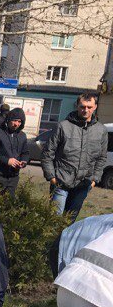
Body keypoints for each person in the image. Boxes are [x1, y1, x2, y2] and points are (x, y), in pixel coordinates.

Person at [41, 91, 107, 221]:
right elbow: (48, 153)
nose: (85, 110)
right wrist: (51, 176)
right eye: (82, 106)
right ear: (77, 106)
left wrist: (94, 179)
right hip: (61, 182)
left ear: (95, 107)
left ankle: (63, 242)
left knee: (69, 222)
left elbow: (101, 157)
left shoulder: (101, 130)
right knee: (54, 220)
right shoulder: (63, 126)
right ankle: (51, 242)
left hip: (83, 183)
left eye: (89, 107)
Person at [0, 106, 30, 197]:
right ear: (8, 120)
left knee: (7, 207)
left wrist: (24, 161)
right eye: (14, 120)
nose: (16, 124)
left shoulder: (22, 136)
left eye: (19, 121)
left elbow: (25, 153)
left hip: (13, 178)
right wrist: (6, 160)